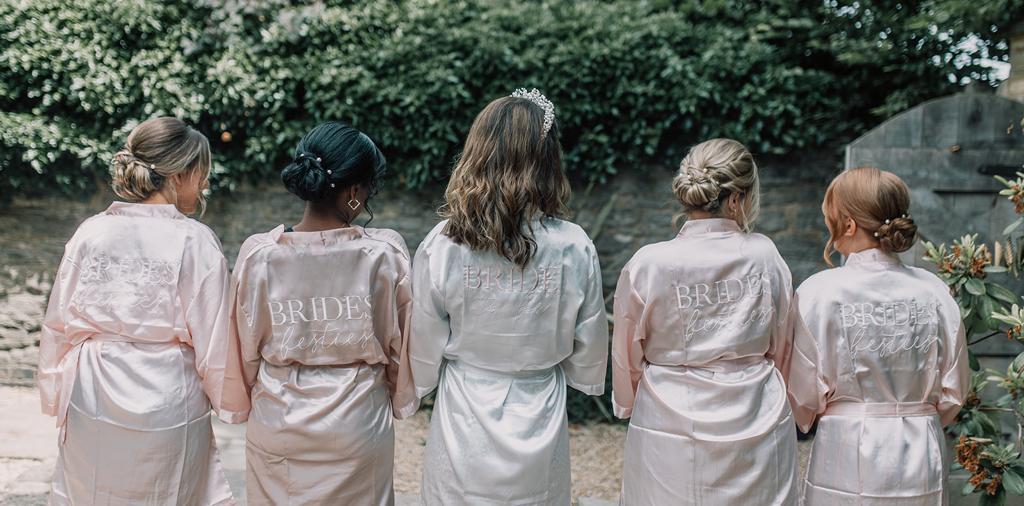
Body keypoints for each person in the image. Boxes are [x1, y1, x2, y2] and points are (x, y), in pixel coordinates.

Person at [410, 89, 609, 505]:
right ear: (548, 159)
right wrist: (583, 375)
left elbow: (424, 337)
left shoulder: (444, 244)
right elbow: (588, 338)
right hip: (538, 405)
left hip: (466, 403)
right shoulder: (573, 246)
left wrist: (417, 385)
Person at [37, 117, 248, 505]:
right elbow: (215, 337)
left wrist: (53, 389)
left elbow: (59, 323)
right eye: (202, 173)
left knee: (93, 491)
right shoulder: (195, 241)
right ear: (181, 173)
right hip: (167, 394)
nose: (204, 184)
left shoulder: (91, 231)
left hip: (93, 390)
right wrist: (233, 403)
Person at [230, 121, 418, 505]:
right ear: (353, 191)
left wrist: (250, 396)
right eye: (370, 188)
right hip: (358, 422)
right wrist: (400, 400)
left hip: (279, 420)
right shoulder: (384, 254)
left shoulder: (260, 255)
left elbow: (245, 350)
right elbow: (400, 348)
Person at [612, 138, 798, 505]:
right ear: (735, 199)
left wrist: (630, 402)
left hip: (668, 409)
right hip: (755, 408)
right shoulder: (766, 255)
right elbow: (783, 341)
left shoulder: (650, 263)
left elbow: (626, 352)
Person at [787, 167, 969, 505]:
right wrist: (915, 413)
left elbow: (803, 395)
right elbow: (955, 389)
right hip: (921, 446)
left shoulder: (818, 293)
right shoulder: (934, 291)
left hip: (846, 445)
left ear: (849, 224)